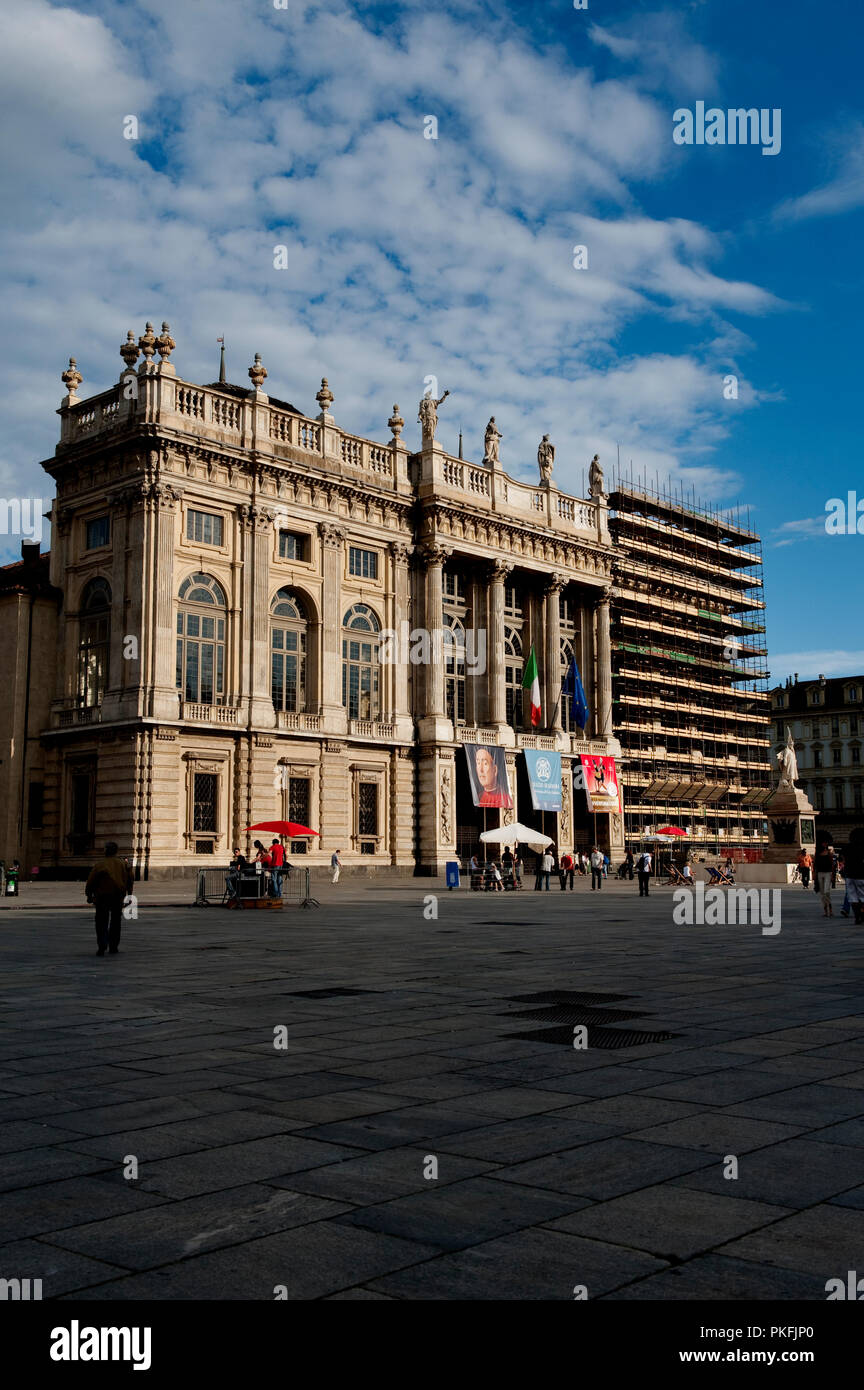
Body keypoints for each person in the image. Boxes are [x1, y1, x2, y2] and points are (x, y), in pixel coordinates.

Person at [85, 842, 133, 956]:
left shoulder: (100, 864)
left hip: (102, 897)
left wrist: (89, 895)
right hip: (118, 896)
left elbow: (91, 881)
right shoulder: (123, 864)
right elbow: (130, 880)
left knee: (101, 922)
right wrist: (129, 895)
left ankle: (102, 946)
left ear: (106, 850)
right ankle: (113, 946)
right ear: (116, 851)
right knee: (116, 922)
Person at [840, 827, 864, 925]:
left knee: (853, 898)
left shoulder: (847, 847)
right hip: (861, 875)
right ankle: (862, 914)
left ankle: (857, 916)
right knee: (862, 897)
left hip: (849, 875)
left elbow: (842, 858)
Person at [814, 838, 834, 917]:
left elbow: (832, 864)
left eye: (826, 843)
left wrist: (832, 875)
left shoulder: (829, 853)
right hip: (820, 873)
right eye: (824, 842)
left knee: (826, 892)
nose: (825, 844)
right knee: (822, 893)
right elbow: (815, 864)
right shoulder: (817, 853)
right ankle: (826, 910)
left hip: (828, 873)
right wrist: (814, 873)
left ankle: (830, 908)